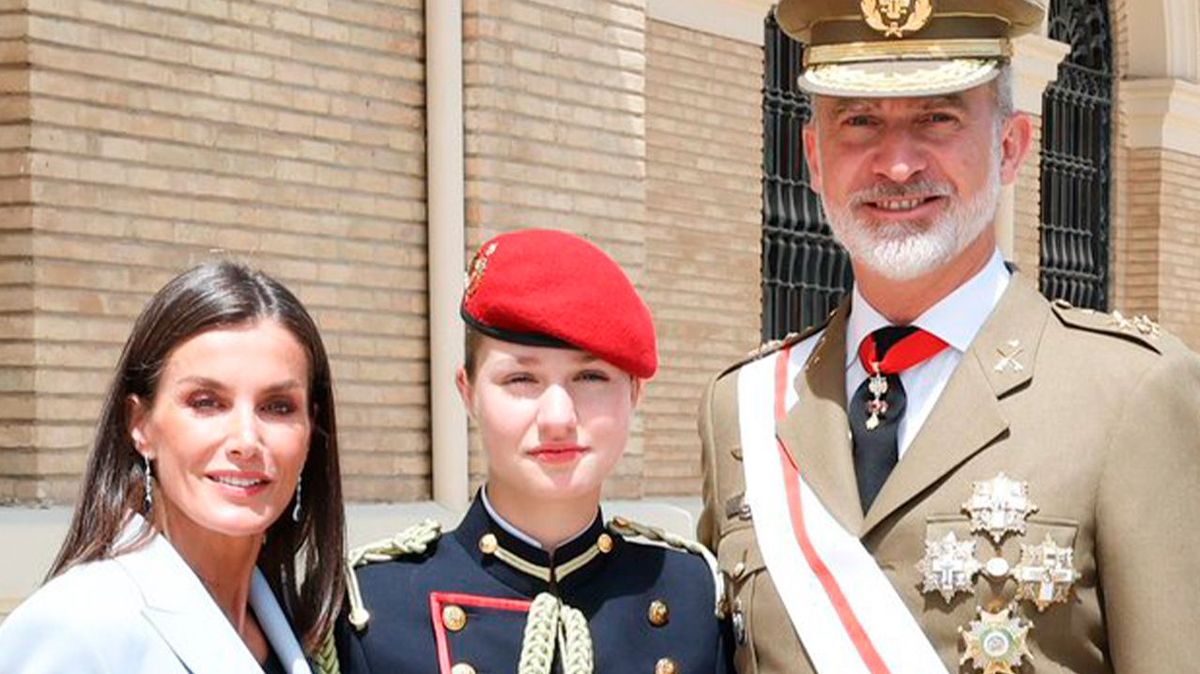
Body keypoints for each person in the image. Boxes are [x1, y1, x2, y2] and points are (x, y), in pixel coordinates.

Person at [699, 2, 1200, 674]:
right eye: (859, 121)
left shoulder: (1130, 397)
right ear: (814, 158)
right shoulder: (744, 408)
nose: (898, 165)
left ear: (1010, 145)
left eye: (939, 118)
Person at [337, 229, 732, 674]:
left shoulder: (694, 596)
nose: (558, 417)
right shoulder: (375, 608)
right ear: (468, 393)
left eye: (591, 378)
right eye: (521, 380)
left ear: (634, 394)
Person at [0, 261, 346, 674]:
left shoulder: (305, 626)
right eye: (206, 402)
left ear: (311, 432)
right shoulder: (77, 627)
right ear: (140, 425)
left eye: (277, 407)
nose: (245, 441)